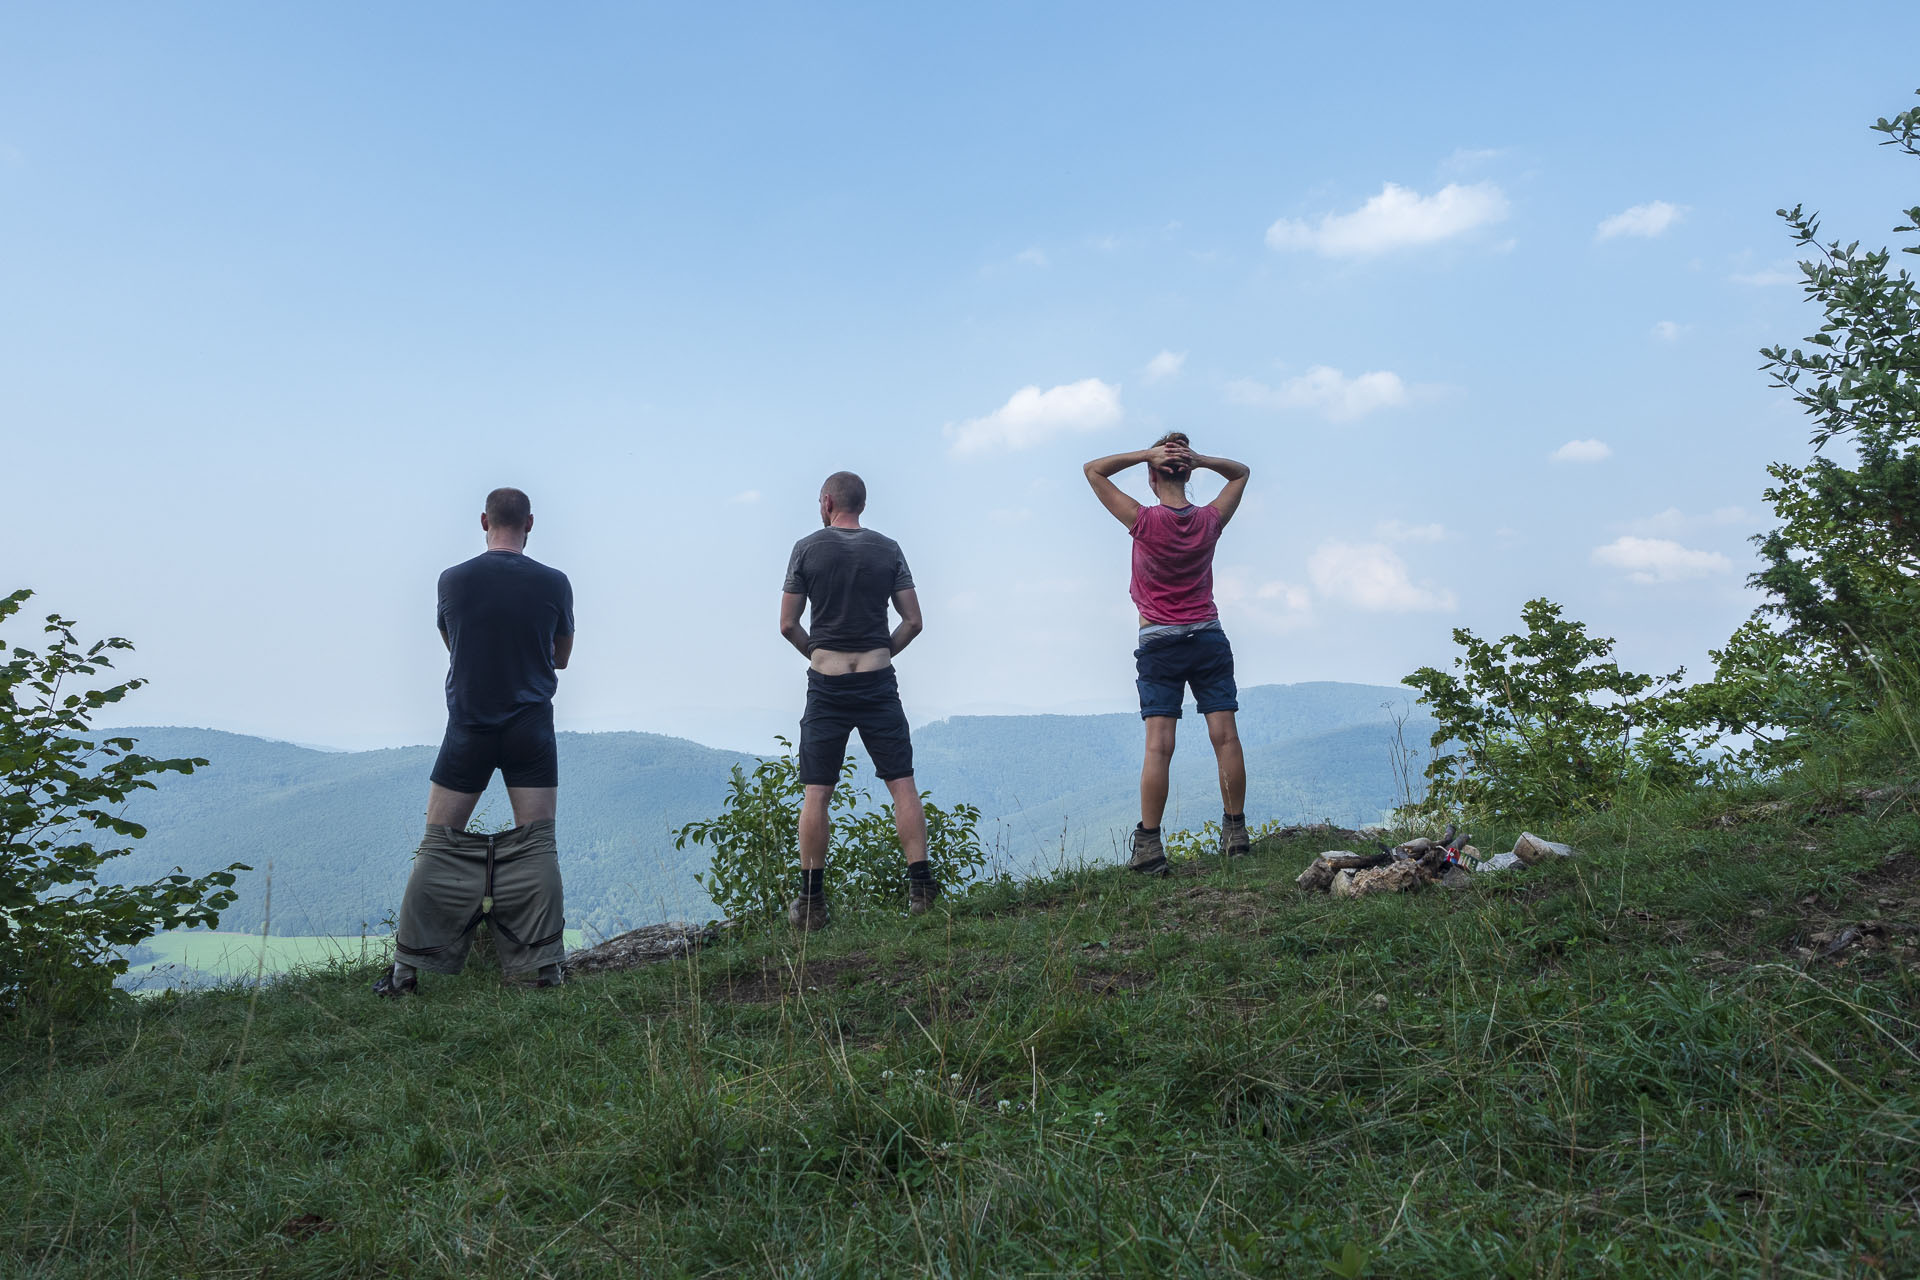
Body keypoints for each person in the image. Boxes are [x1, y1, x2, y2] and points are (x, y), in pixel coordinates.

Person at [374, 487, 576, 996]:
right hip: (530, 728)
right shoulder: (554, 582)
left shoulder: (453, 580)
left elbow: (454, 643)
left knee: (438, 843)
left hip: (467, 726)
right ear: (530, 523)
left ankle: (405, 972)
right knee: (536, 843)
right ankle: (544, 968)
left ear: (483, 520)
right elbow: (562, 657)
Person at [1082, 434, 1252, 873]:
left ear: (1153, 477)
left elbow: (1092, 469)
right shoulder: (1210, 520)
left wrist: (1144, 454)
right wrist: (1200, 459)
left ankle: (1150, 847)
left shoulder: (1143, 521)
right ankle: (1235, 832)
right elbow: (1241, 473)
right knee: (1226, 737)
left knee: (1159, 746)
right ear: (1188, 473)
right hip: (1208, 637)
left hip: (1159, 641)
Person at [778, 470, 933, 929]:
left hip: (827, 684)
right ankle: (922, 891)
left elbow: (787, 623)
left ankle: (811, 904)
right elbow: (914, 621)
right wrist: (881, 649)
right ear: (860, 504)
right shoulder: (888, 549)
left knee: (817, 792)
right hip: (877, 680)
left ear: (827, 501)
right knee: (901, 782)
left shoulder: (806, 548)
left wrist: (817, 652)